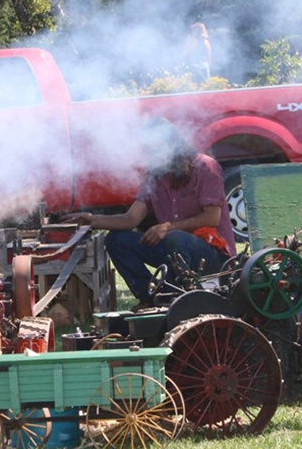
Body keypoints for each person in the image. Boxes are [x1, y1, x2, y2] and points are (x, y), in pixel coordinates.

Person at [63, 119, 234, 309]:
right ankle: (148, 298)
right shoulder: (155, 175)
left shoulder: (205, 167)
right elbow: (131, 219)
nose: (153, 156)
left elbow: (212, 217)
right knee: (117, 240)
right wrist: (92, 220)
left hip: (212, 255)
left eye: (157, 150)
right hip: (174, 251)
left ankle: (171, 299)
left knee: (175, 237)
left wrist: (168, 227)